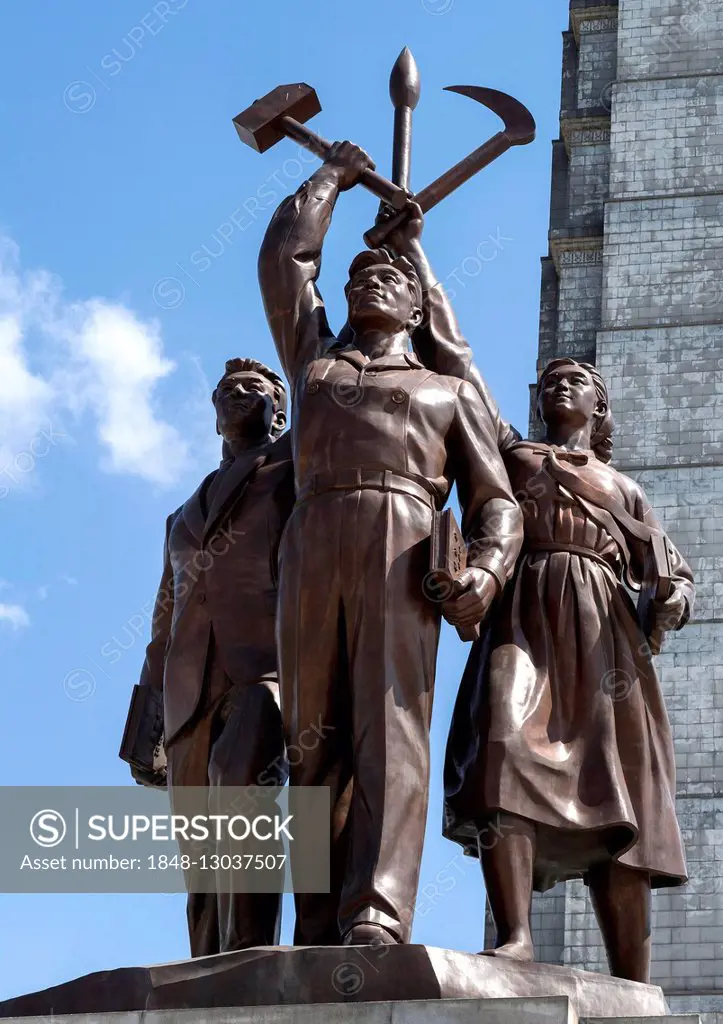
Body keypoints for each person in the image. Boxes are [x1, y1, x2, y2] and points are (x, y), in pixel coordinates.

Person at [375, 207, 694, 984]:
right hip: (526, 614)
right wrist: (412, 253)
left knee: (623, 797)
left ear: (600, 406)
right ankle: (515, 935)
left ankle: (631, 970)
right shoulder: (517, 457)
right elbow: (455, 357)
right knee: (503, 745)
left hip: (608, 640)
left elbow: (673, 575)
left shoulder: (624, 488)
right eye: (550, 378)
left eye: (577, 378)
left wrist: (671, 600)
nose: (561, 384)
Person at [258, 141, 523, 947]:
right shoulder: (314, 367)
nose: (371, 278)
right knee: (311, 741)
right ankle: (313, 920)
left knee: (390, 731)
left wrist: (485, 568)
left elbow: (496, 501)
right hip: (312, 542)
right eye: (359, 276)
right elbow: (284, 262)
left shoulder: (447, 393)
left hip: (403, 547)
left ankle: (376, 909)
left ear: (418, 309)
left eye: (393, 278)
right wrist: (331, 178)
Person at [132, 357, 294, 956]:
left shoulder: (295, 468)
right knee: (198, 841)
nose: (238, 396)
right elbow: (163, 618)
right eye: (227, 391)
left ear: (280, 409)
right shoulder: (181, 515)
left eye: (254, 389)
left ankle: (250, 953)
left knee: (243, 792)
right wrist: (146, 719)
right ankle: (207, 969)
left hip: (266, 664)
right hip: (186, 684)